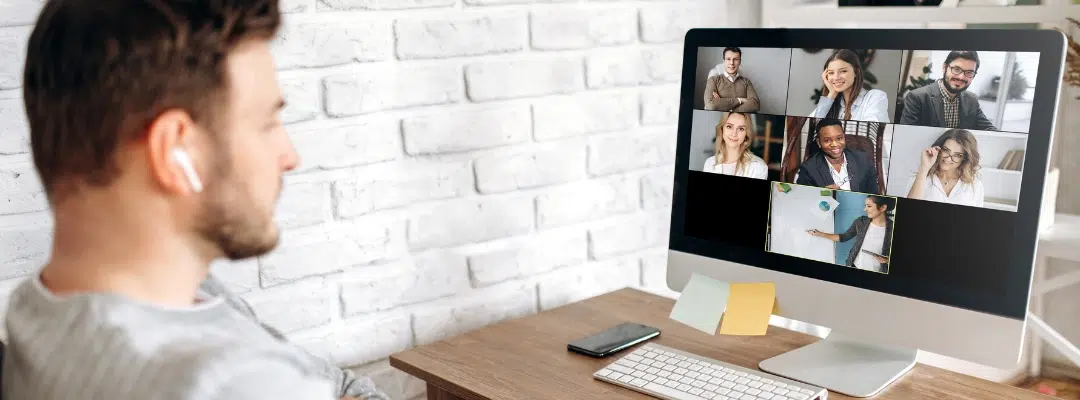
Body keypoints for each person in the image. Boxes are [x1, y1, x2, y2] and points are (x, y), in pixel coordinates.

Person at [2, 1, 388, 399]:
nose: (289, 156)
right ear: (176, 151)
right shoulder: (232, 382)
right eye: (267, 124)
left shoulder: (38, 307)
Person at [899, 50, 996, 131]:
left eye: (969, 72)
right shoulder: (917, 98)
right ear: (944, 67)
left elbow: (988, 128)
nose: (961, 77)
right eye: (956, 69)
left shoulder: (972, 100)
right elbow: (906, 133)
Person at [807, 195, 895, 274]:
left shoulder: (893, 228)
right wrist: (820, 234)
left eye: (869, 206)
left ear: (883, 208)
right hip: (854, 266)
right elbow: (844, 237)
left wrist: (888, 260)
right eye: (865, 206)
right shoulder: (861, 221)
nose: (865, 209)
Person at [793, 119, 879, 194]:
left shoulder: (863, 159)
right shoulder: (808, 169)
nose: (835, 144)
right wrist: (821, 194)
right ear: (819, 143)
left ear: (844, 137)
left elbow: (874, 194)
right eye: (827, 140)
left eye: (839, 138)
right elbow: (804, 199)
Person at [906, 128, 985, 207]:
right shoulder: (919, 178)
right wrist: (924, 168)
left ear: (965, 158)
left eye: (957, 155)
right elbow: (910, 209)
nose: (948, 159)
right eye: (946, 150)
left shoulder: (975, 185)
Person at [809, 49, 891, 123]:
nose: (836, 77)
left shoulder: (875, 97)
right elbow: (811, 126)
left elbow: (870, 129)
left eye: (843, 71)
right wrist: (831, 95)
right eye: (831, 73)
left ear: (856, 72)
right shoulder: (831, 103)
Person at [702, 112, 769, 179]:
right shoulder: (709, 163)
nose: (734, 134)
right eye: (729, 126)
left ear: (746, 134)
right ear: (722, 130)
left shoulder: (759, 167)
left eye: (741, 129)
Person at [703, 47, 761, 112]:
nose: (731, 63)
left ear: (740, 62)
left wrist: (725, 107)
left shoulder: (746, 82)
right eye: (728, 59)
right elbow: (711, 105)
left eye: (735, 59)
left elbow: (756, 104)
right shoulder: (713, 80)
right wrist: (740, 100)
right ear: (724, 61)